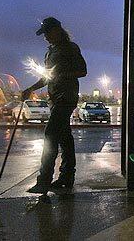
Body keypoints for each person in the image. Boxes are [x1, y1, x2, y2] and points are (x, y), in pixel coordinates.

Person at [22, 17, 87, 194]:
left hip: (66, 98)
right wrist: (30, 88)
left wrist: (62, 74)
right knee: (65, 138)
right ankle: (66, 177)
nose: (46, 37)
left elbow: (83, 70)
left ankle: (44, 180)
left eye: (48, 33)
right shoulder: (50, 52)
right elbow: (47, 77)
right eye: (44, 35)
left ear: (58, 30)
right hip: (55, 99)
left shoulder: (70, 48)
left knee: (50, 134)